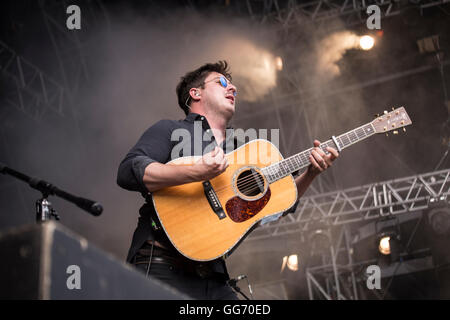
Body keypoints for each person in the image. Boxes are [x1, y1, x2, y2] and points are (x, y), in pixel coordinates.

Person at [116, 61, 339, 300]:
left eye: (233, 85)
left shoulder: (242, 150)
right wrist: (196, 171)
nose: (232, 88)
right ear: (195, 93)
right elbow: (129, 171)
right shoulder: (170, 129)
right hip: (161, 266)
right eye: (222, 82)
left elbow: (279, 204)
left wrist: (310, 174)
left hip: (214, 277)